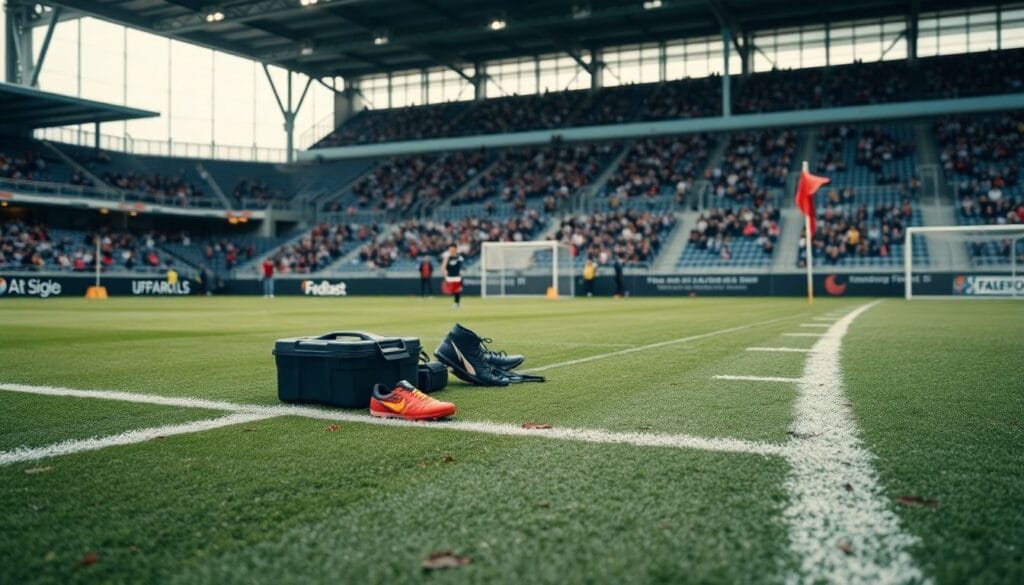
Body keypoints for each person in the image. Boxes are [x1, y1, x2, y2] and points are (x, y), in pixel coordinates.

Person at [441, 244, 464, 309]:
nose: (452, 251)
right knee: (449, 292)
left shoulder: (460, 258)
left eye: (453, 249)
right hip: (449, 277)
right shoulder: (447, 258)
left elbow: (461, 267)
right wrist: (445, 273)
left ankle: (456, 303)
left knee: (458, 291)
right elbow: (443, 267)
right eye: (450, 249)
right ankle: (455, 302)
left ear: (456, 249)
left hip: (457, 277)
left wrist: (461, 273)